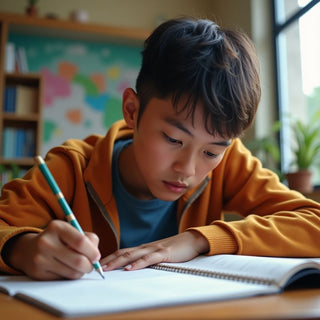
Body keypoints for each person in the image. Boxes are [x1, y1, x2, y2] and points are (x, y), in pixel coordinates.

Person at [1, 17, 320, 281]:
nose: (188, 169)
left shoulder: (230, 163)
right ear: (132, 110)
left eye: (211, 152)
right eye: (173, 140)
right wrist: (22, 249)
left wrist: (199, 239)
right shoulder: (70, 167)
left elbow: (313, 222)